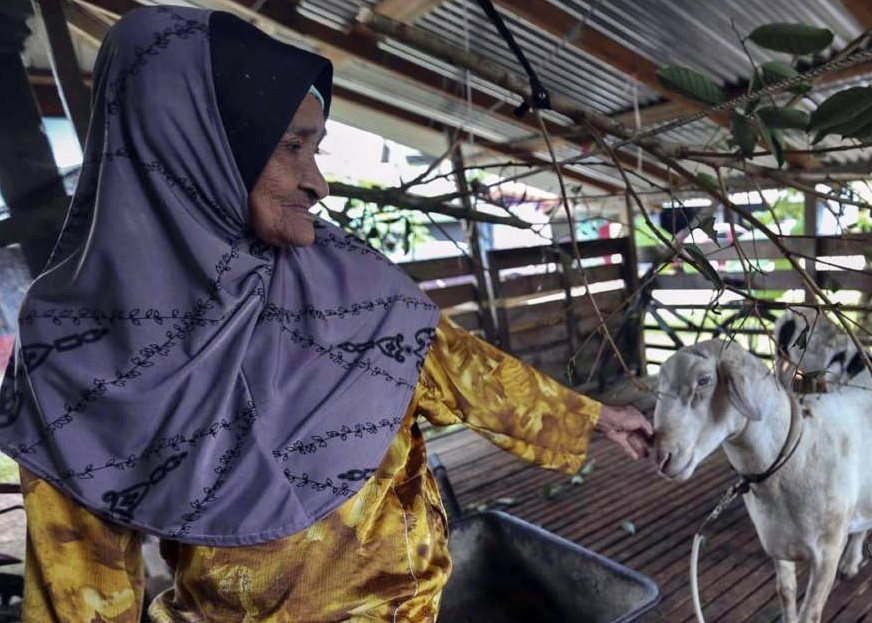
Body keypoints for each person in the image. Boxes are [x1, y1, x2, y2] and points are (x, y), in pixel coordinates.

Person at [0, 6, 653, 622]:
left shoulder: (349, 280)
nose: (319, 182)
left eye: (317, 148)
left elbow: (459, 367)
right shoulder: (77, 359)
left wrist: (592, 415)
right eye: (291, 147)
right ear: (195, 149)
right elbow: (79, 593)